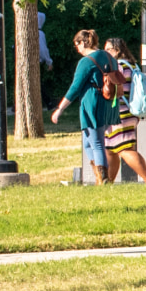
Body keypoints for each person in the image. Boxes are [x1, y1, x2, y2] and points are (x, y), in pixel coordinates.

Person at [49, 28, 115, 184]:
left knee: (97, 141)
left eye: (77, 44)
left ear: (84, 42)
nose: (77, 48)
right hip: (109, 102)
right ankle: (100, 175)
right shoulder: (109, 57)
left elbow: (75, 87)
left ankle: (103, 178)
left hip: (93, 103)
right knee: (88, 141)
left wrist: (60, 109)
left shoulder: (86, 61)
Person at [100, 38, 146, 185]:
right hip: (130, 113)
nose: (105, 52)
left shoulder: (118, 66)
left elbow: (113, 89)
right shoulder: (132, 66)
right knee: (110, 149)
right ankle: (106, 183)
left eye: (108, 50)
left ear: (117, 51)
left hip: (120, 113)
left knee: (125, 150)